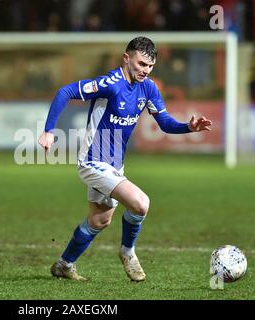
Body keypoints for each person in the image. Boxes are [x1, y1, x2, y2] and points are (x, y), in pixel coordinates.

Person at [38, 36, 212, 281]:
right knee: (141, 203)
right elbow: (65, 91)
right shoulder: (110, 83)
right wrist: (48, 130)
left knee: (99, 220)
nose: (145, 70)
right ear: (126, 58)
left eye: (150, 66)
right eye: (141, 64)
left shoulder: (148, 87)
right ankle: (128, 252)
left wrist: (188, 128)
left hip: (114, 165)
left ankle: (64, 265)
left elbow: (164, 123)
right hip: (92, 161)